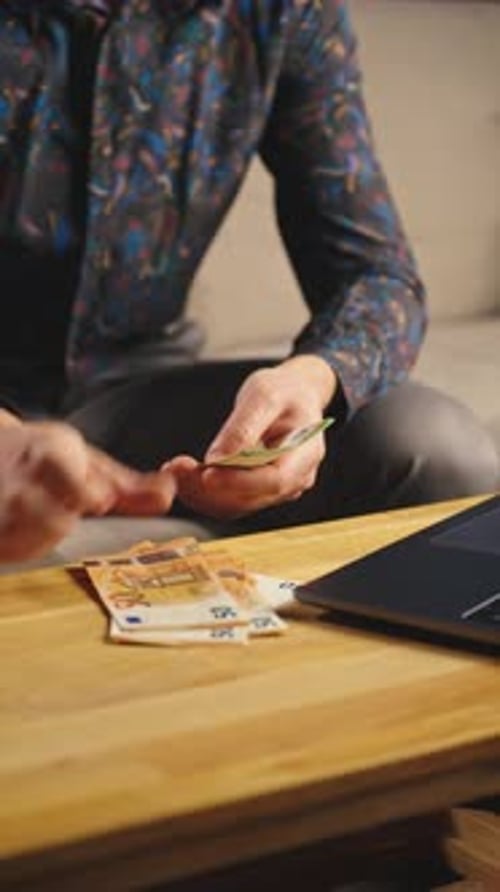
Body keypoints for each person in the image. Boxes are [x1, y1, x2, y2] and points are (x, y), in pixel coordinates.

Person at [0, 0, 498, 564]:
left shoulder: (280, 13)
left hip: (134, 389)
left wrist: (312, 382)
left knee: (436, 451)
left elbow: (378, 275)